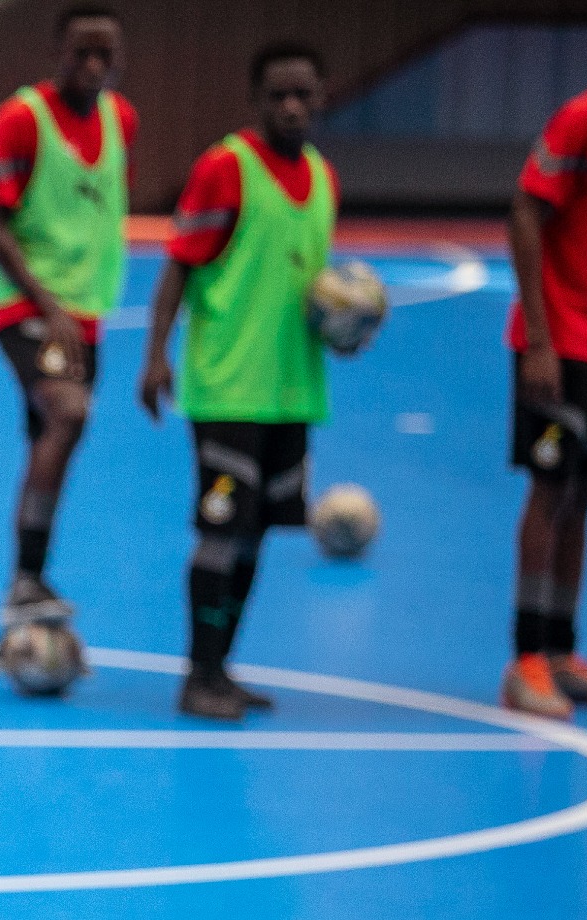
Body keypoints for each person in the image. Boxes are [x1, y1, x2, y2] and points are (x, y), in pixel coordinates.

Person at [138, 43, 338, 721]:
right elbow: (180, 263)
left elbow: (310, 283)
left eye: (303, 94)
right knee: (222, 532)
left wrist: (342, 323)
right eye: (278, 95)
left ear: (321, 98)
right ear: (256, 100)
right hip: (227, 386)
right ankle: (198, 676)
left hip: (292, 389)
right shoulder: (227, 168)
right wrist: (156, 354)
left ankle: (222, 667)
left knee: (255, 534)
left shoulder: (322, 177)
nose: (291, 107)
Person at [0, 5, 135, 673]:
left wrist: (80, 307)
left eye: (105, 54)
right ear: (57, 52)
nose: (93, 66)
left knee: (52, 437)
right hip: (27, 306)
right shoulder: (20, 120)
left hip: (87, 313)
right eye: (81, 53)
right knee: (68, 413)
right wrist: (48, 303)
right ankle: (26, 577)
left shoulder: (121, 119)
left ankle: (27, 589)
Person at [501, 79, 587, 718]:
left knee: (584, 494)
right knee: (550, 491)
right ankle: (526, 660)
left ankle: (560, 651)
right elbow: (525, 210)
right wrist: (540, 340)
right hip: (564, 340)